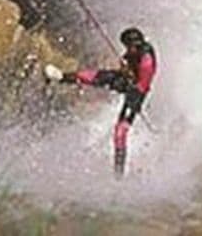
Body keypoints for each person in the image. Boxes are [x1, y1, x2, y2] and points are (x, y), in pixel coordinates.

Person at [45, 27, 156, 177]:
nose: (127, 49)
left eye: (128, 46)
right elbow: (128, 62)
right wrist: (125, 70)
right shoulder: (134, 51)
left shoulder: (146, 62)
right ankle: (62, 77)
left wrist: (130, 82)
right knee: (101, 76)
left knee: (120, 131)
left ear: (135, 45)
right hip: (130, 81)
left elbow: (142, 86)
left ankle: (118, 174)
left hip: (137, 92)